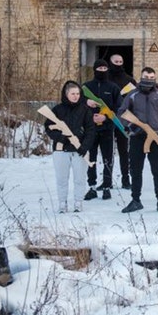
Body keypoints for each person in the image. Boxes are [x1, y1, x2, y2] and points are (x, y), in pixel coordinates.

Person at [118, 67, 158, 213]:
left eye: (152, 77)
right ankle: (136, 200)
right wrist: (130, 127)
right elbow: (122, 112)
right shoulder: (132, 94)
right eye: (146, 76)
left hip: (156, 137)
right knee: (135, 169)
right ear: (141, 77)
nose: (149, 79)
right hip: (138, 137)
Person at [44, 80, 95, 213]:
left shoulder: (85, 110)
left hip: (80, 151)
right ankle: (62, 203)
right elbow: (48, 127)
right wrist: (62, 138)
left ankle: (78, 203)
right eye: (72, 93)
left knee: (80, 179)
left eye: (78, 93)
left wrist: (84, 146)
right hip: (61, 151)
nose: (75, 96)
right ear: (66, 94)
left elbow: (91, 130)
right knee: (62, 179)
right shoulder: (57, 109)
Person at [82, 59, 120, 201]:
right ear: (95, 70)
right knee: (90, 158)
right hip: (90, 129)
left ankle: (106, 187)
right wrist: (86, 103)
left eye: (105, 69)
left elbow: (119, 108)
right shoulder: (86, 87)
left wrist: (105, 117)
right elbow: (77, 104)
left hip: (107, 128)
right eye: (100, 68)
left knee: (107, 158)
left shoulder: (113, 87)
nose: (102, 71)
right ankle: (92, 187)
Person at [108, 54, 136, 189]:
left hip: (123, 119)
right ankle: (106, 180)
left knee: (124, 150)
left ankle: (126, 179)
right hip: (107, 118)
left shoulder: (129, 80)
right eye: (116, 61)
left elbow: (136, 99)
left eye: (120, 61)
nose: (118, 64)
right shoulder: (105, 78)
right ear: (111, 62)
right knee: (108, 151)